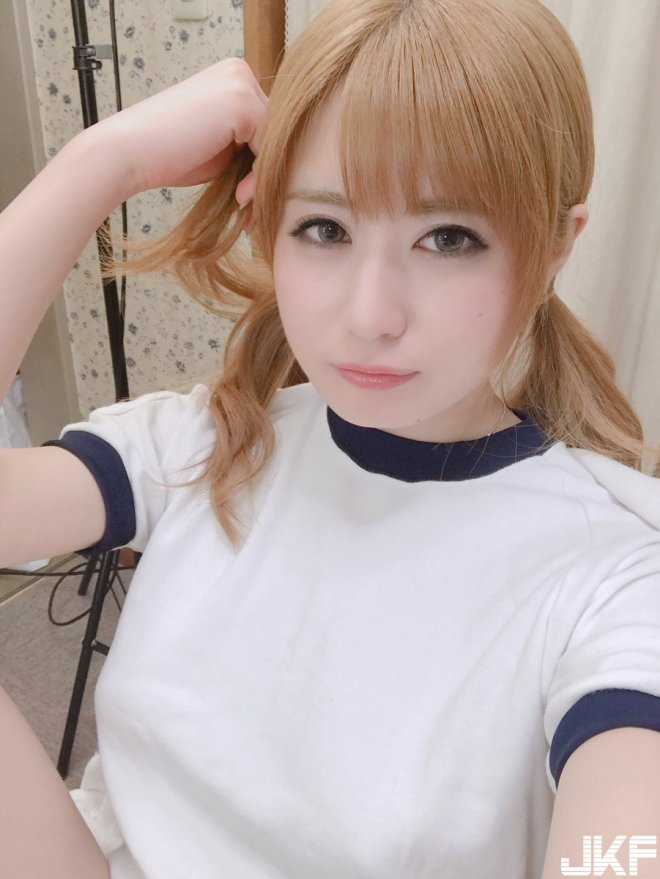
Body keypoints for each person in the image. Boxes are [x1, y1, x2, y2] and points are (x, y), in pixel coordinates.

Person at [1, 0, 660, 877]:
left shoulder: (613, 574)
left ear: (552, 250)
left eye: (449, 237)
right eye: (326, 228)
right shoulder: (206, 443)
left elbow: (623, 848)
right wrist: (100, 161)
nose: (370, 314)